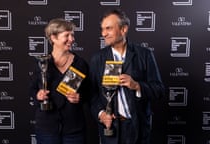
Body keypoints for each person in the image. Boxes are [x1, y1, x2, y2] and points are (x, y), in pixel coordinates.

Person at [89, 9, 165, 144]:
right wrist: (101, 114)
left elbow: (159, 90)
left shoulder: (144, 54)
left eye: (108, 28)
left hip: (138, 127)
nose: (103, 34)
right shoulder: (97, 59)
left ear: (123, 29)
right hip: (110, 129)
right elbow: (92, 95)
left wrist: (137, 86)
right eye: (102, 29)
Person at [29, 18, 90, 144]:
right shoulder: (42, 63)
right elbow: (32, 89)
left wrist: (80, 97)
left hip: (74, 129)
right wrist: (38, 95)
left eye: (72, 35)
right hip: (47, 129)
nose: (72, 39)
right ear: (53, 38)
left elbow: (90, 93)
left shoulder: (80, 64)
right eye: (67, 35)